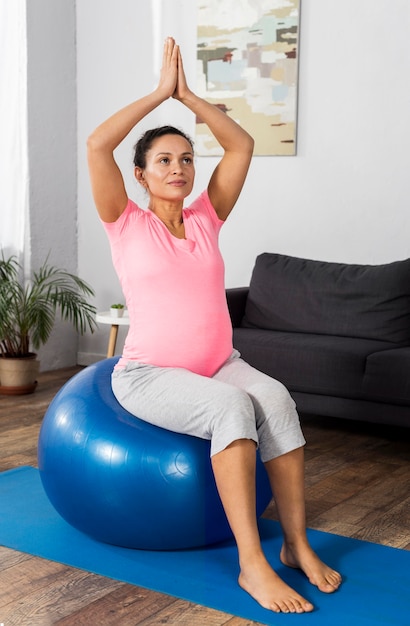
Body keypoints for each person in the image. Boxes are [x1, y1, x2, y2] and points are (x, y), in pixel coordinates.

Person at [87, 36, 342, 614]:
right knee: (233, 410)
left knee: (274, 399)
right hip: (150, 375)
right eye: (163, 161)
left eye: (185, 159)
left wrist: (190, 97)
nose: (177, 169)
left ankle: (295, 546)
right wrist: (158, 95)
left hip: (219, 364)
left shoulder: (206, 217)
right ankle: (252, 565)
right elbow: (97, 142)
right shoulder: (123, 222)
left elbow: (241, 144)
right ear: (141, 175)